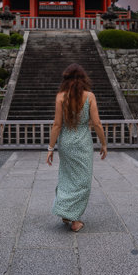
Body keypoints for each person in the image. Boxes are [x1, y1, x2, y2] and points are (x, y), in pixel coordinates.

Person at [46, 63, 107, 232]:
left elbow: (57, 125)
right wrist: (103, 143)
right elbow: (96, 123)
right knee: (83, 181)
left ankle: (66, 212)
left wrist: (50, 148)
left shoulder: (60, 97)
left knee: (66, 177)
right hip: (82, 142)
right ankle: (75, 220)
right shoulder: (89, 96)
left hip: (65, 142)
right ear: (83, 79)